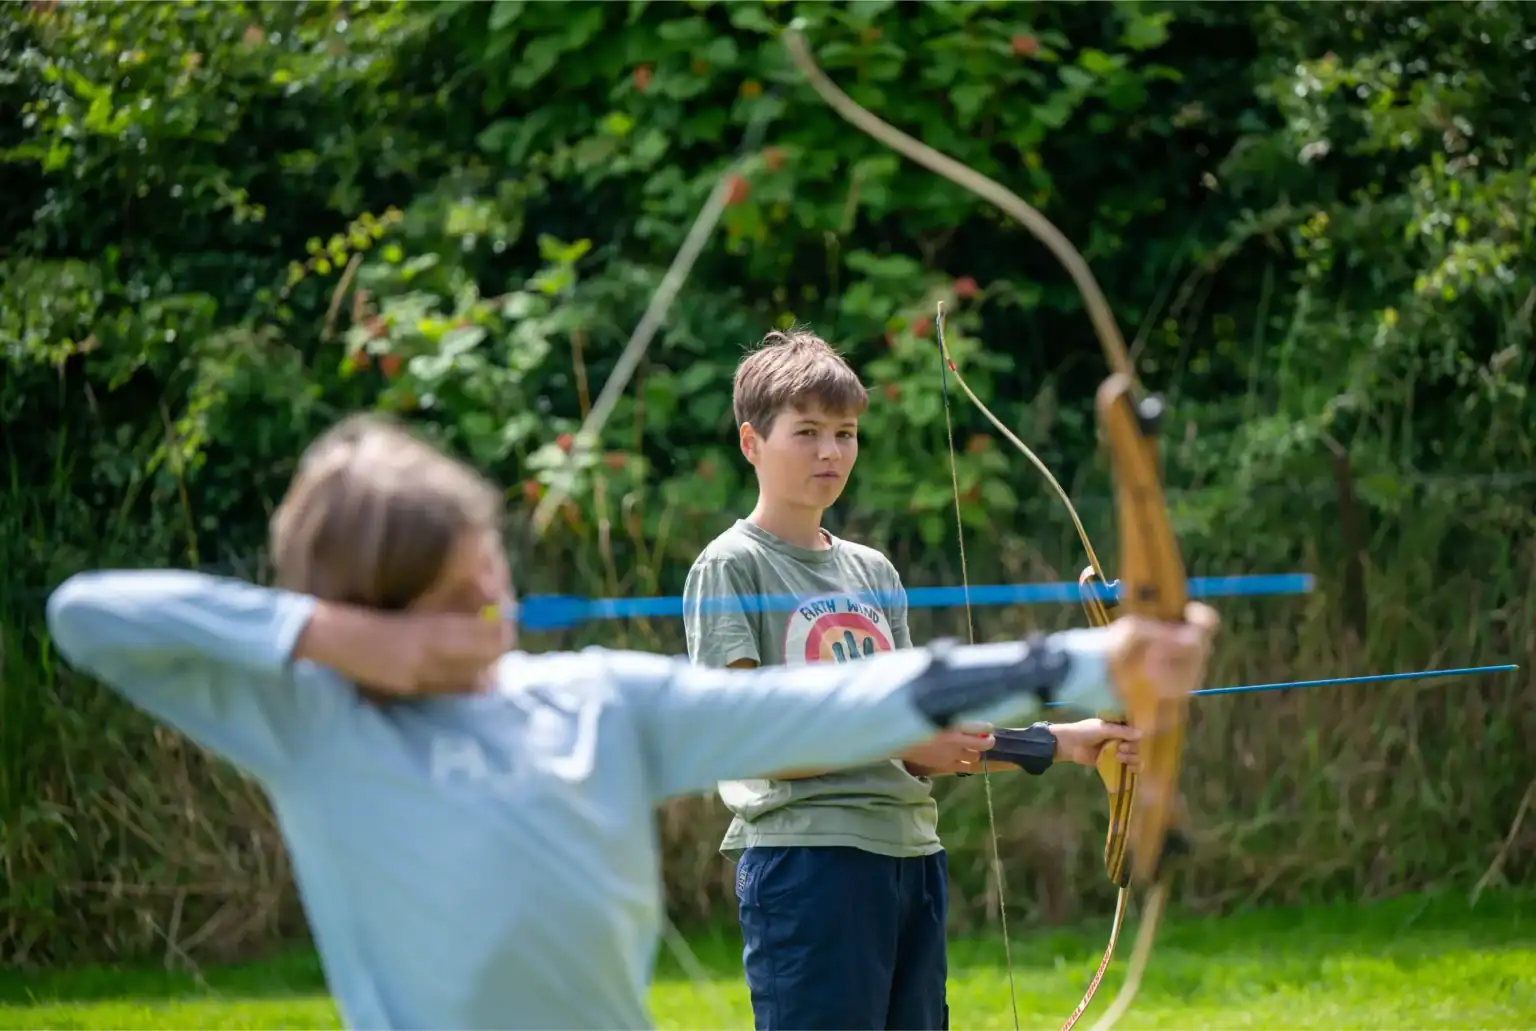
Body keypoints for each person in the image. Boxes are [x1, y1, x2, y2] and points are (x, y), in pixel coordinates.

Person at [45, 413, 1218, 1031]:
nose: (489, 610)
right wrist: (344, 644)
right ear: (364, 615)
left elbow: (840, 697)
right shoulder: (313, 725)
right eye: (449, 602)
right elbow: (90, 614)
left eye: (489, 573)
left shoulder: (596, 702)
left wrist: (1087, 658)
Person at [682, 329, 1144, 1031]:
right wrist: (901, 737)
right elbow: (746, 737)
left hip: (909, 855)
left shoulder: (872, 571)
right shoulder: (732, 565)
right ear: (752, 442)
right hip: (810, 862)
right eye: (805, 432)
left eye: (845, 432)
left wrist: (1065, 742)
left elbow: (923, 730)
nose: (830, 451)